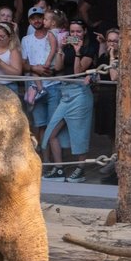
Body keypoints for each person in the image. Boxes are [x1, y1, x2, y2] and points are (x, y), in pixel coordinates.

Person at [41, 20, 97, 183]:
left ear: (84, 32)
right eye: (72, 32)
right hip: (65, 93)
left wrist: (78, 52)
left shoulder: (89, 48)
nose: (75, 35)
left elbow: (78, 71)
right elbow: (58, 68)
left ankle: (80, 169)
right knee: (51, 133)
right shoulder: (67, 46)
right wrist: (60, 48)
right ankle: (59, 168)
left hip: (80, 93)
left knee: (80, 133)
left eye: (78, 31)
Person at [21, 6, 59, 145]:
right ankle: (43, 156)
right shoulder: (26, 39)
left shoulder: (54, 34)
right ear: (29, 21)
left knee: (53, 126)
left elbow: (71, 41)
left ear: (45, 19)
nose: (36, 21)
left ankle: (55, 158)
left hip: (54, 84)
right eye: (33, 18)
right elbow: (22, 64)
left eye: (39, 17)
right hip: (35, 88)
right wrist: (34, 68)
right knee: (40, 125)